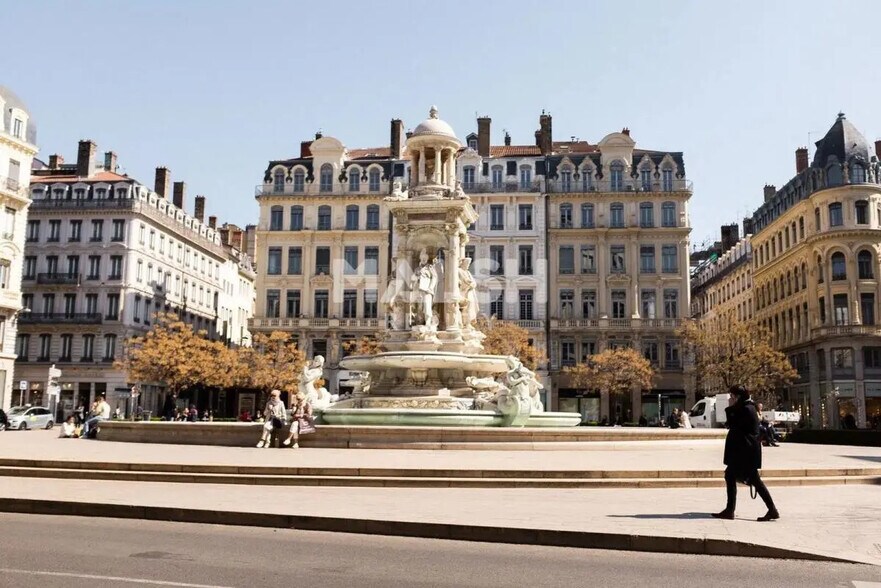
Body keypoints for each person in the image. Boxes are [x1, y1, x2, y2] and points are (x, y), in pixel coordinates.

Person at [712, 385, 779, 522]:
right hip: (744, 450)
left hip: (745, 451)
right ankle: (770, 509)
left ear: (738, 397)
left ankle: (732, 510)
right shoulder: (746, 407)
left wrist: (730, 408)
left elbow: (733, 424)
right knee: (737, 476)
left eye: (732, 396)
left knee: (742, 477)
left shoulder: (746, 409)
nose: (730, 399)